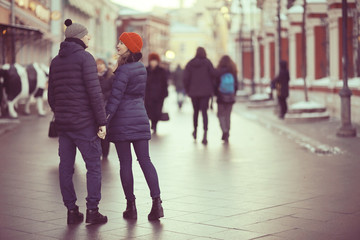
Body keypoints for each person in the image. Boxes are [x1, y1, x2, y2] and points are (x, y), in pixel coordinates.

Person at [48, 19, 108, 225]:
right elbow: (94, 93)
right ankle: (92, 210)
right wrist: (102, 121)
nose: (89, 37)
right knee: (93, 166)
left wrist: (62, 113)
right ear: (80, 37)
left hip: (64, 126)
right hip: (84, 125)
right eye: (87, 35)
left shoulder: (55, 61)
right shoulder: (86, 58)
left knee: (66, 167)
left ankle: (72, 211)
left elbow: (51, 97)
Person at [105, 32, 164, 221]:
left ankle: (131, 206)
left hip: (122, 120)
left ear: (130, 47)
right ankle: (157, 204)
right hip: (139, 118)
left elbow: (115, 99)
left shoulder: (123, 70)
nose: (118, 45)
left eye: (122, 43)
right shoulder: (140, 68)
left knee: (125, 163)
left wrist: (104, 120)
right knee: (145, 161)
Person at [183, 47, 215, 145]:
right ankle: (205, 134)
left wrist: (188, 90)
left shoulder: (190, 63)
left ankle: (195, 131)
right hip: (206, 93)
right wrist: (212, 89)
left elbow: (185, 78)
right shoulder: (208, 63)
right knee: (204, 113)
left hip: (194, 93)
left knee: (195, 112)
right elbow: (214, 75)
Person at [215, 55, 238, 143]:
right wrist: (234, 93)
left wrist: (216, 93)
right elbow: (236, 84)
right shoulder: (233, 70)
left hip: (221, 96)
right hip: (231, 95)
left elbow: (216, 84)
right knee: (228, 115)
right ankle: (227, 131)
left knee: (221, 114)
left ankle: (224, 130)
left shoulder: (219, 71)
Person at [145, 53, 168, 134]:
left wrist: (165, 94)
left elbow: (165, 83)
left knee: (157, 112)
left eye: (155, 61)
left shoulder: (162, 71)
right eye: (152, 61)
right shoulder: (146, 70)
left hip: (159, 95)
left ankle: (155, 125)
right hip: (149, 95)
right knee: (150, 111)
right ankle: (152, 123)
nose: (153, 63)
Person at [96, 58, 114, 160]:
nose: (99, 66)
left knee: (105, 130)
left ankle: (105, 152)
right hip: (95, 107)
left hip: (106, 107)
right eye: (97, 64)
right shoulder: (92, 76)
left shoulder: (110, 76)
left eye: (101, 64)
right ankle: (98, 151)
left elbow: (113, 91)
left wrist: (103, 96)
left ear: (105, 65)